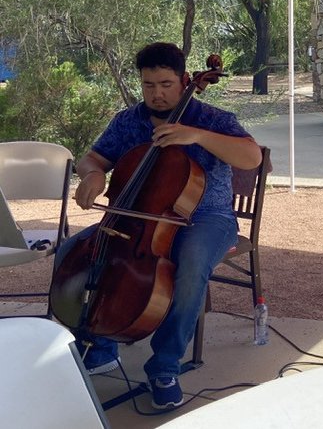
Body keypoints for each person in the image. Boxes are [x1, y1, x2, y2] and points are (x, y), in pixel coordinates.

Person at [56, 42, 262, 410]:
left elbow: (251, 156)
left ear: (185, 81)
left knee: (192, 263)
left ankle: (164, 365)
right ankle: (99, 343)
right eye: (149, 85)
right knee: (73, 252)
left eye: (165, 84)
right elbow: (93, 160)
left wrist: (197, 136)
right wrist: (91, 177)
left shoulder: (210, 118)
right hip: (136, 217)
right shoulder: (127, 121)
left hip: (207, 217)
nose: (157, 93)